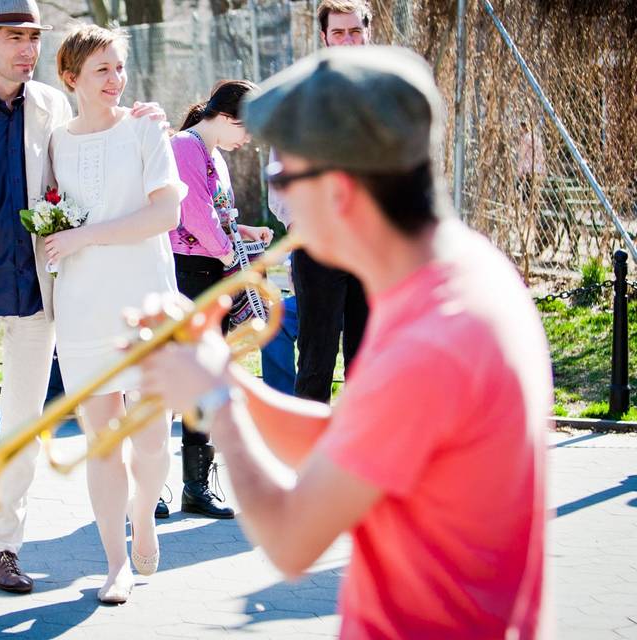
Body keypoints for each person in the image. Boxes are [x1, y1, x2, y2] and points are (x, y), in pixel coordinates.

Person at [140, 46, 552, 638]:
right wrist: (220, 373)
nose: (279, 194)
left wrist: (218, 406)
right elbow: (344, 443)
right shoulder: (454, 274)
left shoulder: (431, 340)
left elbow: (290, 539)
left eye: (286, 175)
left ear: (340, 187)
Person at [0, 0, 165, 604]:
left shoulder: (49, 105)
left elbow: (100, 135)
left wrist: (148, 116)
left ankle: (2, 549)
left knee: (21, 429)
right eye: (13, 37)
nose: (26, 49)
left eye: (33, 38)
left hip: (39, 297)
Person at [46, 24, 186, 604]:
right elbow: (47, 214)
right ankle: (113, 562)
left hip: (145, 303)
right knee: (103, 442)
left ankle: (145, 517)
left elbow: (166, 217)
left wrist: (88, 237)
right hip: (82, 307)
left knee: (151, 439)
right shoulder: (53, 141)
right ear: (71, 77)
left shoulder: (145, 128)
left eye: (119, 68)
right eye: (101, 70)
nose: (115, 80)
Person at [160, 79, 273, 520]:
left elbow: (219, 218)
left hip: (210, 272)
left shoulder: (213, 156)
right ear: (227, 117)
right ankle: (150, 486)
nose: (247, 139)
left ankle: (196, 486)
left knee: (204, 381)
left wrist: (244, 234)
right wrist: (233, 256)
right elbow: (194, 216)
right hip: (188, 274)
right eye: (246, 128)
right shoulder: (186, 147)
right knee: (176, 378)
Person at [269, 0, 371, 403]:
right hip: (319, 244)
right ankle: (309, 460)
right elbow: (281, 174)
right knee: (316, 356)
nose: (347, 40)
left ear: (368, 32)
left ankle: (362, 458)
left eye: (355, 31)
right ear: (325, 37)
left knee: (368, 357)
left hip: (372, 246)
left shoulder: (386, 93)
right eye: (339, 32)